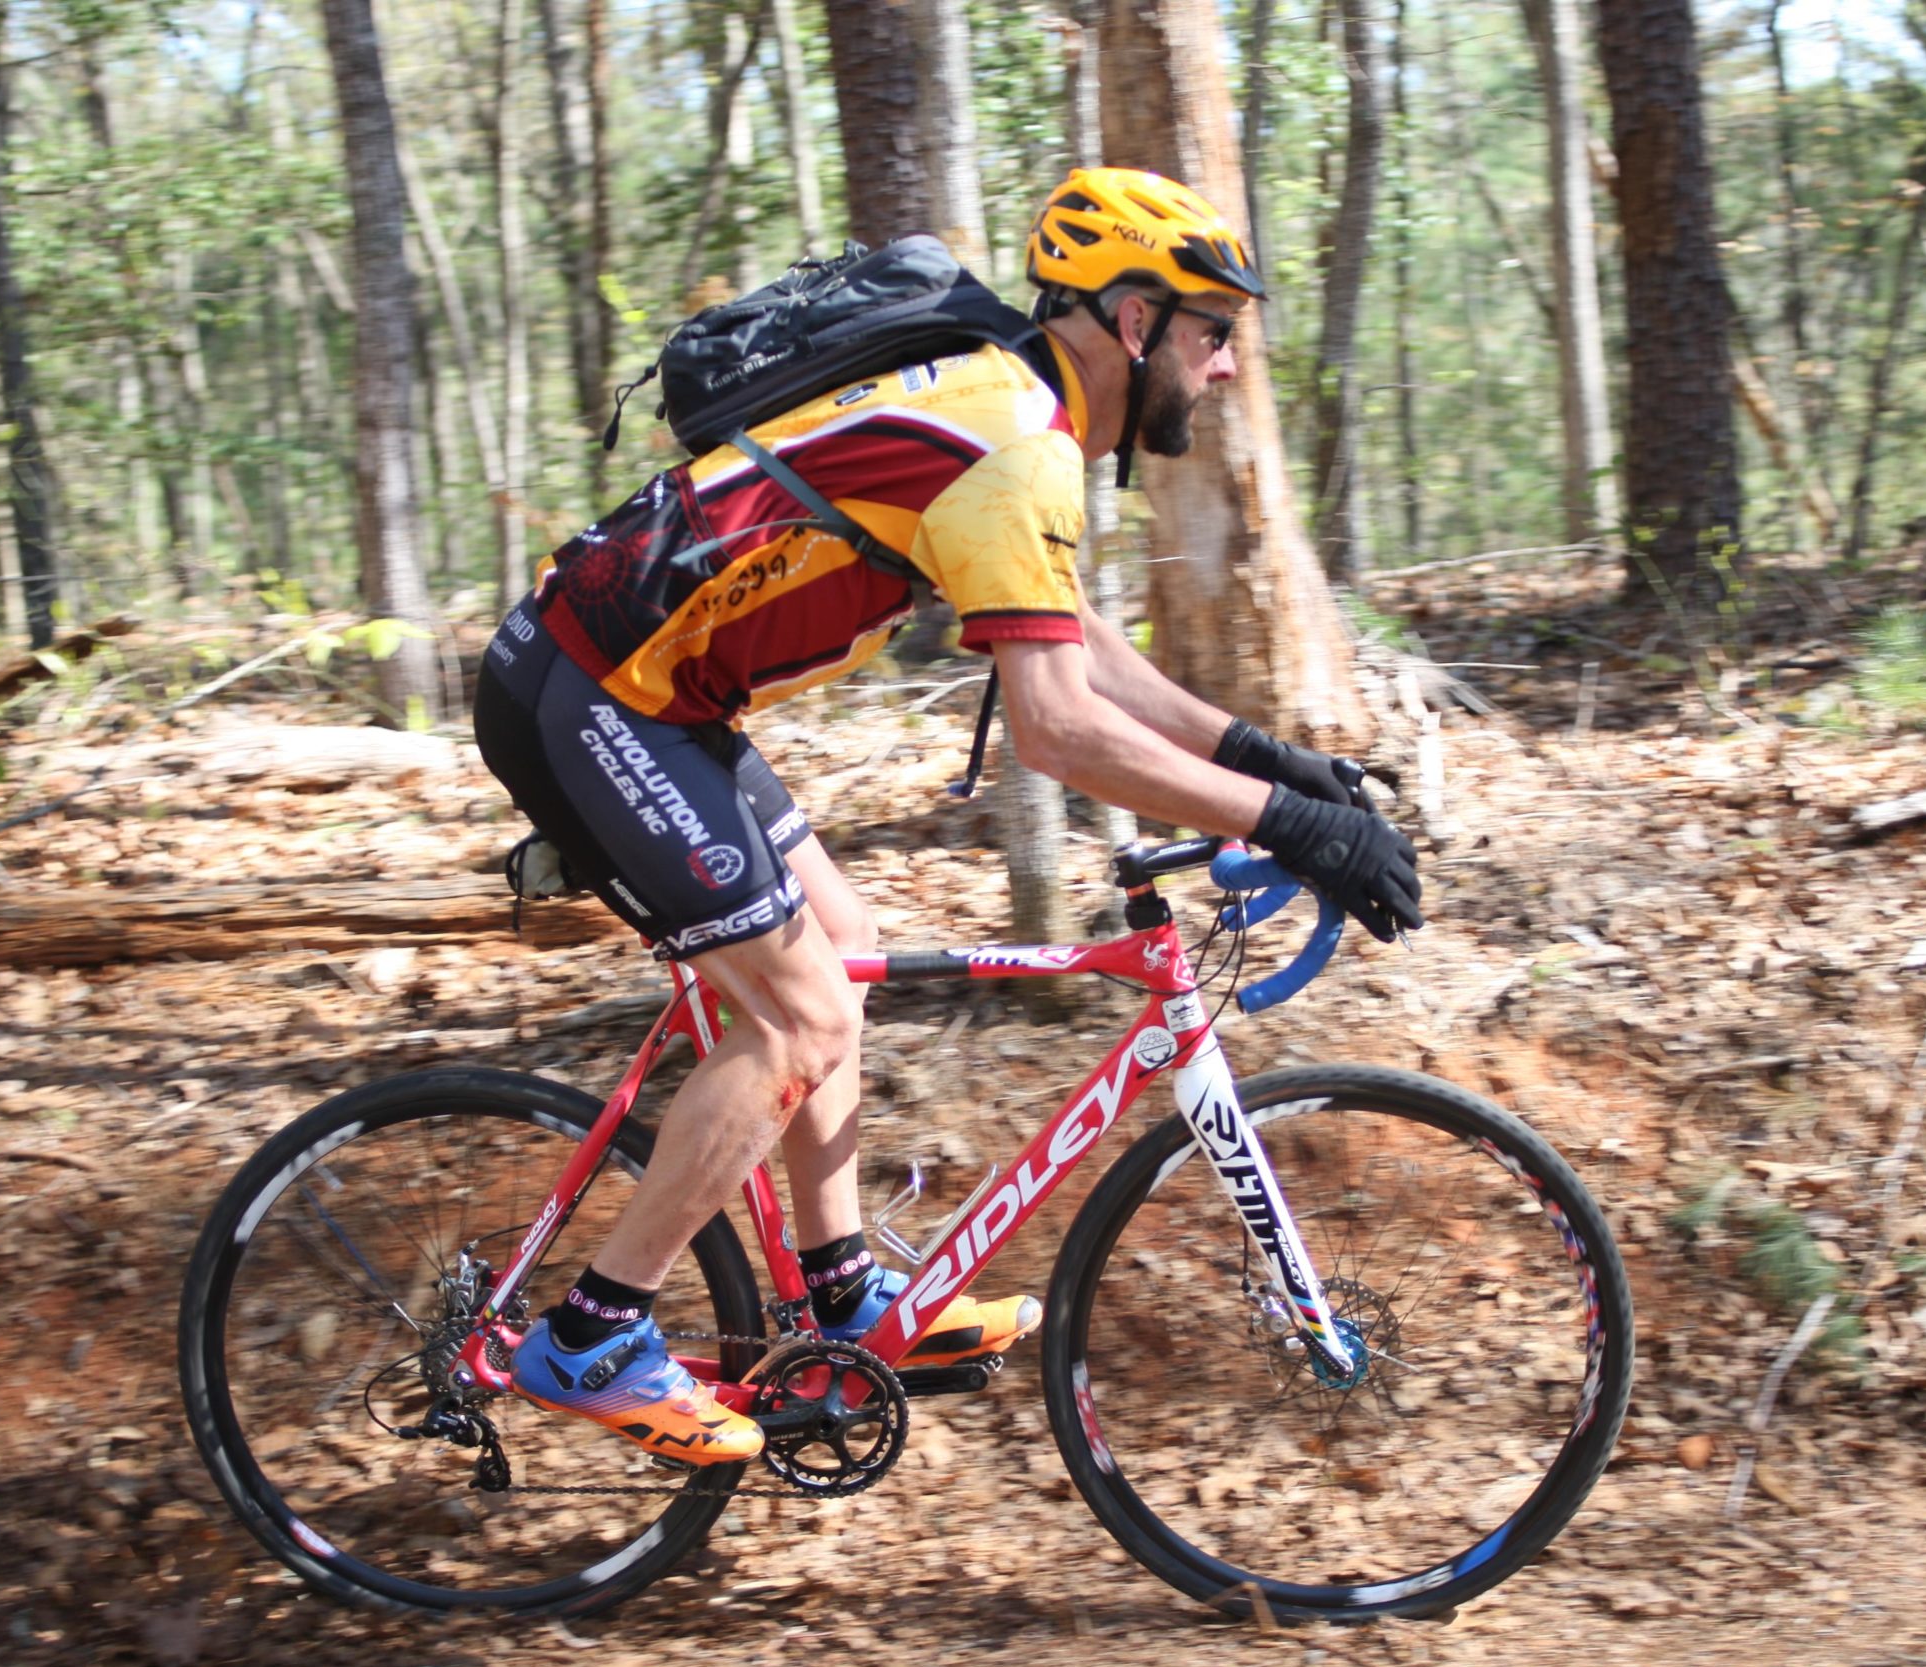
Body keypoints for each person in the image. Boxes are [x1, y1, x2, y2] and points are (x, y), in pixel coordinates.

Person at [473, 167, 1423, 1466]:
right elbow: (1059, 727)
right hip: (589, 692)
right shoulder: (1014, 435)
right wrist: (1285, 824)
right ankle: (594, 1331)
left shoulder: (1011, 409)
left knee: (839, 953)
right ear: (1135, 322)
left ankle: (842, 1291)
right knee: (799, 1012)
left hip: (658, 703)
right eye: (1210, 335)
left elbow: (1073, 643)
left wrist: (1266, 759)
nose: (1217, 372)